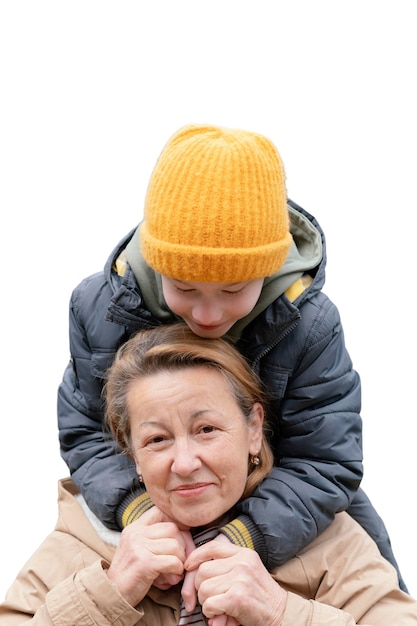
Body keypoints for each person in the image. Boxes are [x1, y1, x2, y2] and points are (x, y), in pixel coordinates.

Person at [57, 123, 407, 591]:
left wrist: (245, 537)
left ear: (267, 270)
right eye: (183, 288)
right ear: (159, 264)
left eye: (232, 290)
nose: (206, 313)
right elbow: (86, 432)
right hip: (153, 500)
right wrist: (142, 512)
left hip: (284, 504)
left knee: (379, 586)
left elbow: (326, 460)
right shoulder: (97, 308)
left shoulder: (312, 325)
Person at [2, 324, 416, 625]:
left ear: (254, 429)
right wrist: (110, 590)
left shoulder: (333, 544)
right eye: (158, 440)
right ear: (132, 455)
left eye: (206, 430)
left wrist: (279, 611)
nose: (184, 463)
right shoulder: (80, 542)